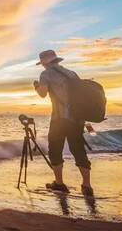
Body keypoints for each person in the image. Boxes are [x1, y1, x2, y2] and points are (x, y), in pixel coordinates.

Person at [33, 49, 93, 196]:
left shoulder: (46, 74)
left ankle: (59, 184)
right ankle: (87, 186)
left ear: (44, 63)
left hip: (59, 119)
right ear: (56, 60)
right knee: (79, 150)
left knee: (55, 150)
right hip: (77, 119)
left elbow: (42, 94)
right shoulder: (72, 74)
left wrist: (36, 86)